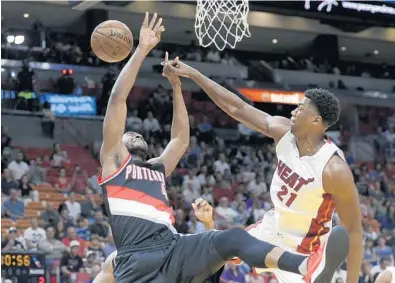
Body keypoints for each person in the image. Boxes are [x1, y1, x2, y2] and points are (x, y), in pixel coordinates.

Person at [97, 13, 348, 283]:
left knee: (232, 238)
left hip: (174, 248)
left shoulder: (157, 168)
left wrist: (177, 86)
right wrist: (143, 48)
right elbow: (117, 100)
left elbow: (180, 140)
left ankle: (308, 266)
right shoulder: (114, 163)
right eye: (128, 134)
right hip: (138, 259)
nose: (133, 134)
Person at [164, 58, 361, 283]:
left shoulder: (334, 169)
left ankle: (315, 268)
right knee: (221, 246)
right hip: (271, 227)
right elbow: (238, 108)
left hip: (304, 247)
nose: (294, 112)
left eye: (301, 109)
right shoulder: (283, 132)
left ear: (316, 120)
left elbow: (354, 232)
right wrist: (194, 75)